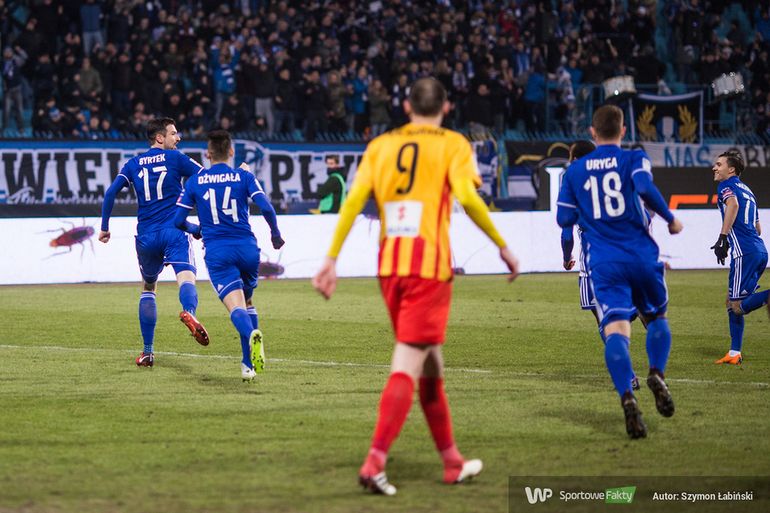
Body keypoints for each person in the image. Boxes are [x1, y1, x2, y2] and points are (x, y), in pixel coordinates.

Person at [312, 78, 519, 495]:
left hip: (390, 267)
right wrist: (502, 245)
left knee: (431, 367)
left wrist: (331, 257)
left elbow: (354, 201)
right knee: (408, 363)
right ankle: (374, 462)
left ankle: (452, 462)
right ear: (446, 108)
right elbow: (469, 198)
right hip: (428, 269)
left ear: (406, 107)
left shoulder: (381, 145)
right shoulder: (454, 144)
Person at [556, 105, 684, 439]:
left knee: (614, 331)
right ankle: (656, 373)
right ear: (624, 130)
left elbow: (564, 220)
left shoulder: (574, 172)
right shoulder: (634, 158)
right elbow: (644, 188)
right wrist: (671, 219)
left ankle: (627, 397)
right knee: (656, 318)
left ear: (592, 132)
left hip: (604, 262)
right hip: (640, 254)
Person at [174, 130, 285, 381]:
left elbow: (178, 220)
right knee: (248, 301)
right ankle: (248, 365)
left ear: (208, 154)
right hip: (248, 249)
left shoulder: (195, 181)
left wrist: (197, 230)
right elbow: (266, 207)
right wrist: (275, 235)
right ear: (231, 151)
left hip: (218, 252)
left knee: (235, 307)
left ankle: (252, 335)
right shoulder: (244, 176)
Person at [99, 118, 209, 367]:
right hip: (174, 231)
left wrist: (105, 227)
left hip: (146, 236)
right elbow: (205, 178)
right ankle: (190, 313)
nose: (178, 138)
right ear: (160, 137)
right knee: (186, 278)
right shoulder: (176, 158)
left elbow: (110, 193)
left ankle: (147, 352)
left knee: (149, 288)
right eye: (173, 133)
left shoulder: (133, 164)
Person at [560, 140, 641, 391]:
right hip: (623, 254)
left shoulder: (572, 181)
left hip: (593, 263)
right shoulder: (613, 176)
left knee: (605, 322)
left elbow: (566, 233)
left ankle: (628, 375)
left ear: (575, 158)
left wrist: (566, 257)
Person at [710, 151, 769, 365]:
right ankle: (734, 353)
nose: (714, 168)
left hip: (745, 252)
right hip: (759, 250)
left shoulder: (726, 186)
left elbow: (732, 205)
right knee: (731, 300)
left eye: (719, 164)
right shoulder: (748, 191)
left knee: (736, 305)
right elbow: (758, 228)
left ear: (731, 169)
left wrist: (723, 237)